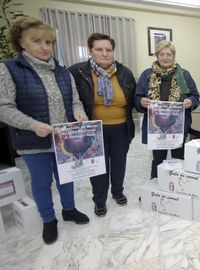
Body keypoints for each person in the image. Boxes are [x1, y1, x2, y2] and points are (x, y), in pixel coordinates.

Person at [0, 17, 89, 244]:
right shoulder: (9, 69)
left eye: (49, 42)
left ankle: (69, 209)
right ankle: (49, 220)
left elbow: (75, 101)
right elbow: (4, 108)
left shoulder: (62, 72)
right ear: (21, 42)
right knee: (41, 182)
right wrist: (33, 125)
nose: (44, 47)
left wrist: (79, 113)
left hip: (64, 139)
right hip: (33, 139)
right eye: (37, 41)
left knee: (66, 178)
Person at [69, 33, 136, 217]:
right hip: (93, 129)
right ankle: (99, 200)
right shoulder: (78, 72)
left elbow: (134, 99)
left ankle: (117, 191)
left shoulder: (124, 72)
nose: (105, 53)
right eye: (99, 49)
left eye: (109, 49)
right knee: (98, 165)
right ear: (91, 51)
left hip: (121, 127)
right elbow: (71, 99)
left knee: (119, 162)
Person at [135, 40, 200, 179]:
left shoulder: (184, 75)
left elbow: (195, 97)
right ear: (157, 56)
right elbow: (137, 98)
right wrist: (141, 101)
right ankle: (154, 189)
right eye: (161, 54)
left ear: (174, 56)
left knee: (179, 159)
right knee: (158, 160)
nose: (165, 57)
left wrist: (191, 101)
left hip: (178, 126)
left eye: (169, 54)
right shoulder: (147, 75)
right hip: (156, 127)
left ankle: (178, 188)